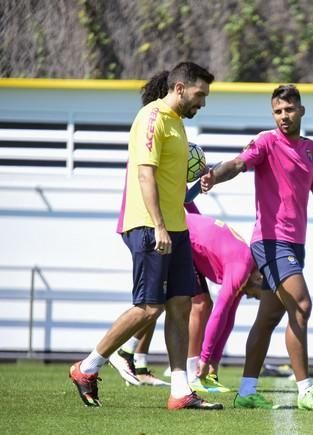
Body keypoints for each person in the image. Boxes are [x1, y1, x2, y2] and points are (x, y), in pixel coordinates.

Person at [68, 62, 223, 410]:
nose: (203, 102)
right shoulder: (151, 119)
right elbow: (145, 175)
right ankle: (87, 366)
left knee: (181, 305)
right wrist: (157, 225)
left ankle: (180, 391)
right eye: (200, 95)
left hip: (177, 227)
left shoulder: (178, 125)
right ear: (180, 88)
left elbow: (174, 183)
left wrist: (200, 182)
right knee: (149, 307)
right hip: (150, 227)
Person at [200, 84, 313, 410]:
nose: (283, 116)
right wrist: (214, 174)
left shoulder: (311, 150)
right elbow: (238, 164)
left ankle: (247, 390)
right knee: (303, 305)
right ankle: (306, 390)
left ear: (301, 111)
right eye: (278, 111)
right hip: (270, 242)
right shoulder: (266, 141)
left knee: (267, 319)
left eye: (289, 110)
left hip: (295, 246)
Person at [109, 204, 265, 394]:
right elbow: (220, 313)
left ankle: (132, 354)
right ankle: (191, 372)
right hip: (178, 238)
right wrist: (205, 359)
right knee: (193, 305)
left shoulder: (247, 272)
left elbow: (228, 318)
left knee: (175, 302)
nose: (250, 296)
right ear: (259, 278)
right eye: (256, 295)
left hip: (187, 240)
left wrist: (213, 363)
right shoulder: (241, 269)